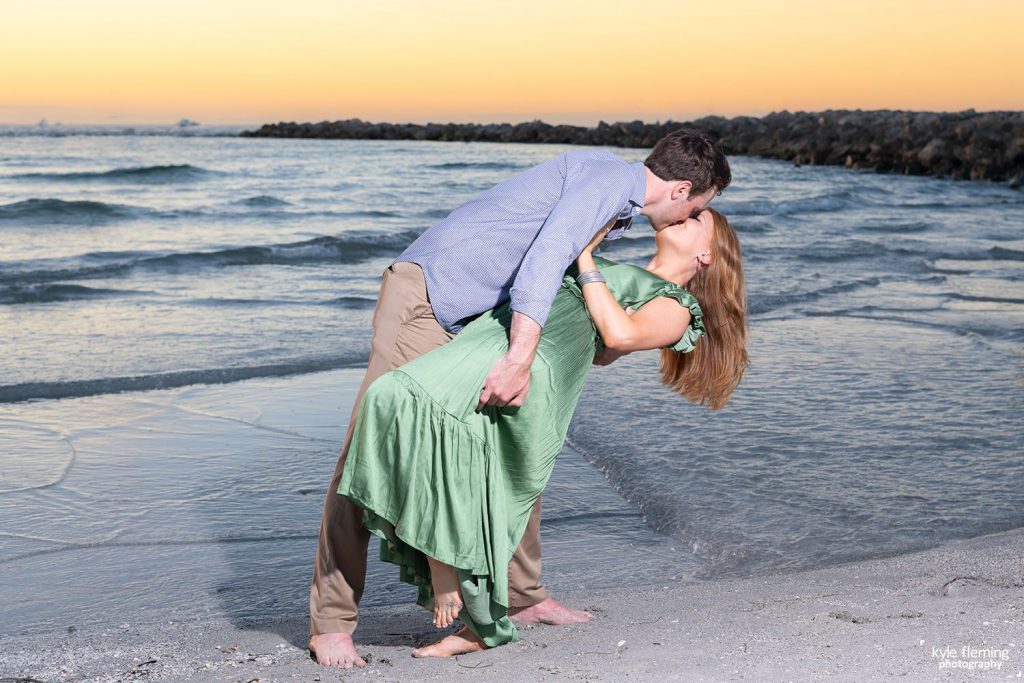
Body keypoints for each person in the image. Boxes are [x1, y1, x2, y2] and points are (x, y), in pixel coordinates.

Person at [309, 128, 732, 668]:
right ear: (679, 190)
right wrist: (520, 356)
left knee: (516, 442)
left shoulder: (614, 206)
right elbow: (548, 255)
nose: (691, 217)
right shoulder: (609, 182)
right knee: (370, 443)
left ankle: (522, 595)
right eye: (699, 206)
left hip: (475, 319)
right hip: (431, 299)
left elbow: (584, 302)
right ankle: (332, 622)